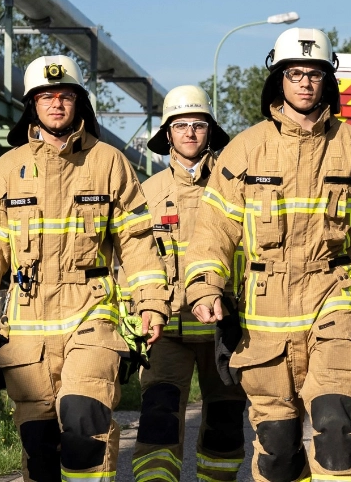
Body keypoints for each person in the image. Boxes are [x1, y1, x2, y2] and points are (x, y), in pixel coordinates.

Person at [184, 28, 351, 482]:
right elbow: (214, 229)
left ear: (328, 82)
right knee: (279, 451)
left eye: (314, 74)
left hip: (336, 299)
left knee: (339, 428)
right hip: (266, 317)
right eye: (295, 73)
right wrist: (205, 284)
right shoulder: (246, 149)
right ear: (279, 80)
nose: (305, 83)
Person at [0, 54, 170, 482]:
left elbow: (139, 243)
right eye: (46, 96)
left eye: (65, 95)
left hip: (91, 313)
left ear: (79, 103)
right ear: (32, 104)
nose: (56, 104)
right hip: (28, 327)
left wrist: (152, 302)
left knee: (83, 420)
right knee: (40, 448)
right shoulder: (6, 171)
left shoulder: (108, 163)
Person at [131, 85, 247, 482]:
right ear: (167, 134)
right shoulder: (146, 194)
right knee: (158, 415)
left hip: (224, 326)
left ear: (210, 131)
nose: (190, 133)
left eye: (199, 124)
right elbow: (131, 260)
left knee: (226, 419)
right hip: (167, 330)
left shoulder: (234, 186)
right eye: (180, 125)